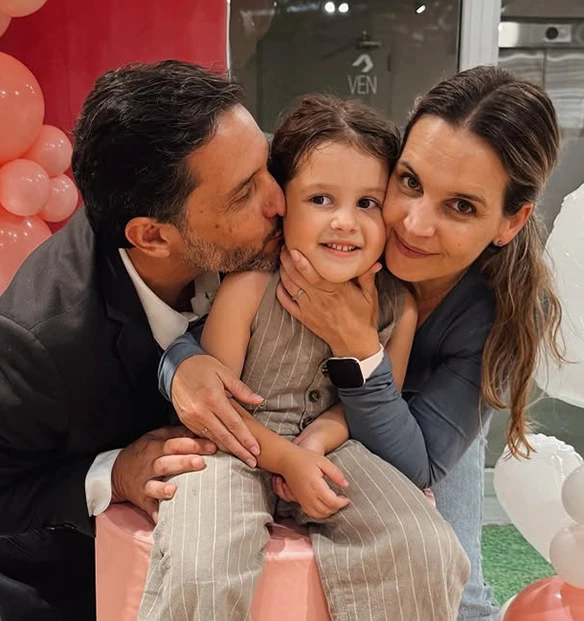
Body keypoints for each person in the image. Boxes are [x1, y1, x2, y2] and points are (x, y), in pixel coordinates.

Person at [159, 65, 566, 621]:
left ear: (510, 222)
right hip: (272, 436)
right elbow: (205, 338)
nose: (414, 224)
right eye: (410, 182)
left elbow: (420, 465)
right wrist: (180, 366)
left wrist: (355, 343)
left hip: (406, 436)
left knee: (448, 568)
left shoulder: (492, 315)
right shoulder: (310, 247)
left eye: (462, 206)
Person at [0, 61, 290, 621]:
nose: (279, 200)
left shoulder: (245, 220)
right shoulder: (35, 341)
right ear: (152, 236)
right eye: (244, 195)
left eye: (265, 165)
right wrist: (112, 474)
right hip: (70, 587)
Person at [138, 94, 468, 621]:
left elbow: (367, 403)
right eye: (321, 199)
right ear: (283, 203)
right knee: (203, 559)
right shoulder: (249, 284)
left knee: (426, 548)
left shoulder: (398, 307)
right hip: (234, 445)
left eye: (368, 203)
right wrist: (288, 458)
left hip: (336, 450)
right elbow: (218, 407)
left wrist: (315, 442)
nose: (345, 222)